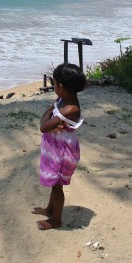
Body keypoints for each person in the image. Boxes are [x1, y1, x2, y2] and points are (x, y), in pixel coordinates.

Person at [32, 63, 86, 230]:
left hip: (62, 153)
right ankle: (50, 209)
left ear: (61, 87)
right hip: (55, 148)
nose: (53, 87)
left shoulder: (70, 108)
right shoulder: (63, 100)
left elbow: (43, 126)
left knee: (57, 186)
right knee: (54, 183)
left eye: (54, 84)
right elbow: (48, 122)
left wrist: (47, 114)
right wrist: (49, 117)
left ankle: (56, 219)